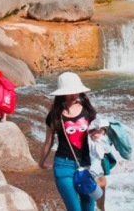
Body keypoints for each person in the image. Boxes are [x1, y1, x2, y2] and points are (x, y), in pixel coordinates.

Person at [38, 72, 98, 211]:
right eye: (70, 92)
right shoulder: (54, 115)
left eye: (76, 91)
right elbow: (49, 141)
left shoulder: (88, 111)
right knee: (74, 208)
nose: (74, 95)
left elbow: (100, 131)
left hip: (87, 163)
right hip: (63, 165)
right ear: (61, 94)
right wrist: (41, 162)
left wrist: (99, 133)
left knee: (88, 205)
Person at [88, 118, 112, 208]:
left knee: (101, 182)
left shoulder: (102, 140)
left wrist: (99, 137)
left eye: (98, 132)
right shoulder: (88, 139)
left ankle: (100, 208)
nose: (95, 134)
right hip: (90, 168)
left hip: (96, 168)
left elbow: (106, 150)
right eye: (93, 132)